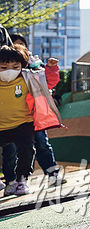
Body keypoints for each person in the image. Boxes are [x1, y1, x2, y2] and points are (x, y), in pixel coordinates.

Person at [0, 44, 62, 197]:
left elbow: (48, 81)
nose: (9, 70)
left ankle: (22, 181)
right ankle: (9, 183)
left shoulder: (28, 77)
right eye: (3, 66)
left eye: (15, 66)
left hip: (23, 124)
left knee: (27, 150)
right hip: (1, 126)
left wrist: (52, 69)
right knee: (8, 156)